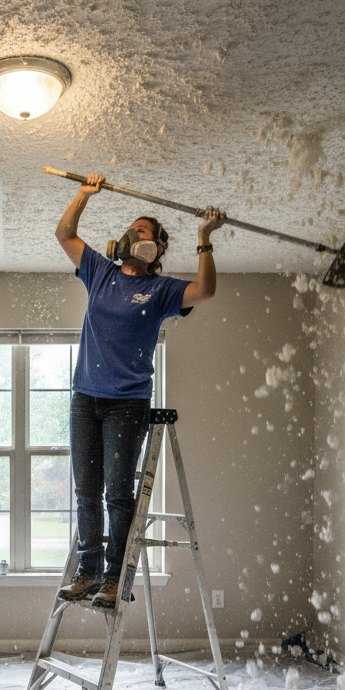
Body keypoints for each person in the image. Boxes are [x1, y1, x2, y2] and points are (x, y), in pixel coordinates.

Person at [55, 172, 225, 610]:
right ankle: (88, 572)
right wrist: (84, 193)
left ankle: (115, 579)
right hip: (84, 398)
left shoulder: (160, 289)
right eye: (133, 228)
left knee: (117, 493)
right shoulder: (99, 272)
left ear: (158, 248)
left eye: (144, 230)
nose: (135, 232)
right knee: (86, 492)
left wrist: (204, 237)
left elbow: (205, 289)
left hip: (127, 404)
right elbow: (65, 233)